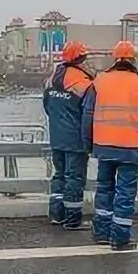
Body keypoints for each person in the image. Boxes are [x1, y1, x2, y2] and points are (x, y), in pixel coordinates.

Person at [82, 40, 138, 250]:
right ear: (133, 60)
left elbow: (87, 115)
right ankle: (120, 238)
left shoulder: (99, 82)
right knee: (125, 193)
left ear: (114, 59)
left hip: (103, 145)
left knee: (104, 188)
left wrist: (89, 144)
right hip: (131, 148)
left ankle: (101, 233)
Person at [42, 41, 94, 229]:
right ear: (82, 58)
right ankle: (73, 219)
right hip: (76, 139)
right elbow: (90, 113)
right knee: (75, 178)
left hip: (57, 136)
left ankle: (57, 214)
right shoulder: (84, 82)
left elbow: (47, 106)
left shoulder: (53, 77)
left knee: (59, 175)